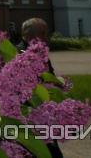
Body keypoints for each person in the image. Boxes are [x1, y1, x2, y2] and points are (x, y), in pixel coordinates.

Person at [17, 18, 63, 158]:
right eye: (42, 33)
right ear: (27, 35)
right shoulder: (18, 53)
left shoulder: (41, 54)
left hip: (44, 113)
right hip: (29, 115)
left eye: (46, 33)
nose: (46, 37)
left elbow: (51, 77)